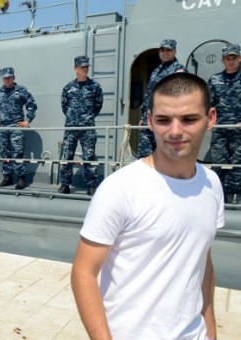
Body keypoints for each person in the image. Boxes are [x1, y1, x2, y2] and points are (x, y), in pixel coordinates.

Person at [71, 72, 223, 339]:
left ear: (210, 119)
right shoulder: (120, 189)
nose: (175, 131)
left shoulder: (211, 184)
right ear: (150, 121)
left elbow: (203, 261)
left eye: (189, 119)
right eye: (164, 120)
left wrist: (210, 330)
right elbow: (83, 272)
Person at [58, 56, 103, 196]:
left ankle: (91, 186)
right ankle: (65, 184)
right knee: (67, 156)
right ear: (75, 69)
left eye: (87, 66)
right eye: (82, 67)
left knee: (89, 157)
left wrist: (87, 118)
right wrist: (74, 119)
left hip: (87, 128)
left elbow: (98, 106)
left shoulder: (95, 87)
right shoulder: (68, 88)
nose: (85, 69)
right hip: (71, 128)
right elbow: (64, 106)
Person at [0, 67, 38, 190]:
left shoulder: (21, 91)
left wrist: (27, 120)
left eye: (9, 77)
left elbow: (32, 105)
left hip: (16, 126)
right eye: (5, 78)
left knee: (18, 153)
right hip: (2, 128)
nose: (7, 80)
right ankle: (7, 177)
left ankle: (21, 178)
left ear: (14, 77)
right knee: (4, 153)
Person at [137, 38, 186, 158]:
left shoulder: (178, 70)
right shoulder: (156, 70)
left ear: (174, 51)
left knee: (165, 155)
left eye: (168, 50)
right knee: (145, 155)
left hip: (164, 121)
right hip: (149, 121)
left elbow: (179, 96)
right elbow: (149, 95)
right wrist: (144, 117)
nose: (165, 53)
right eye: (162, 50)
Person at [208, 43, 241, 204]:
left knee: (238, 167)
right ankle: (219, 201)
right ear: (223, 60)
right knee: (219, 166)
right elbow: (208, 104)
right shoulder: (215, 80)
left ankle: (236, 203)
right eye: (228, 58)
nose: (231, 61)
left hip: (239, 132)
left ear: (239, 58)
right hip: (220, 131)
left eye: (234, 57)